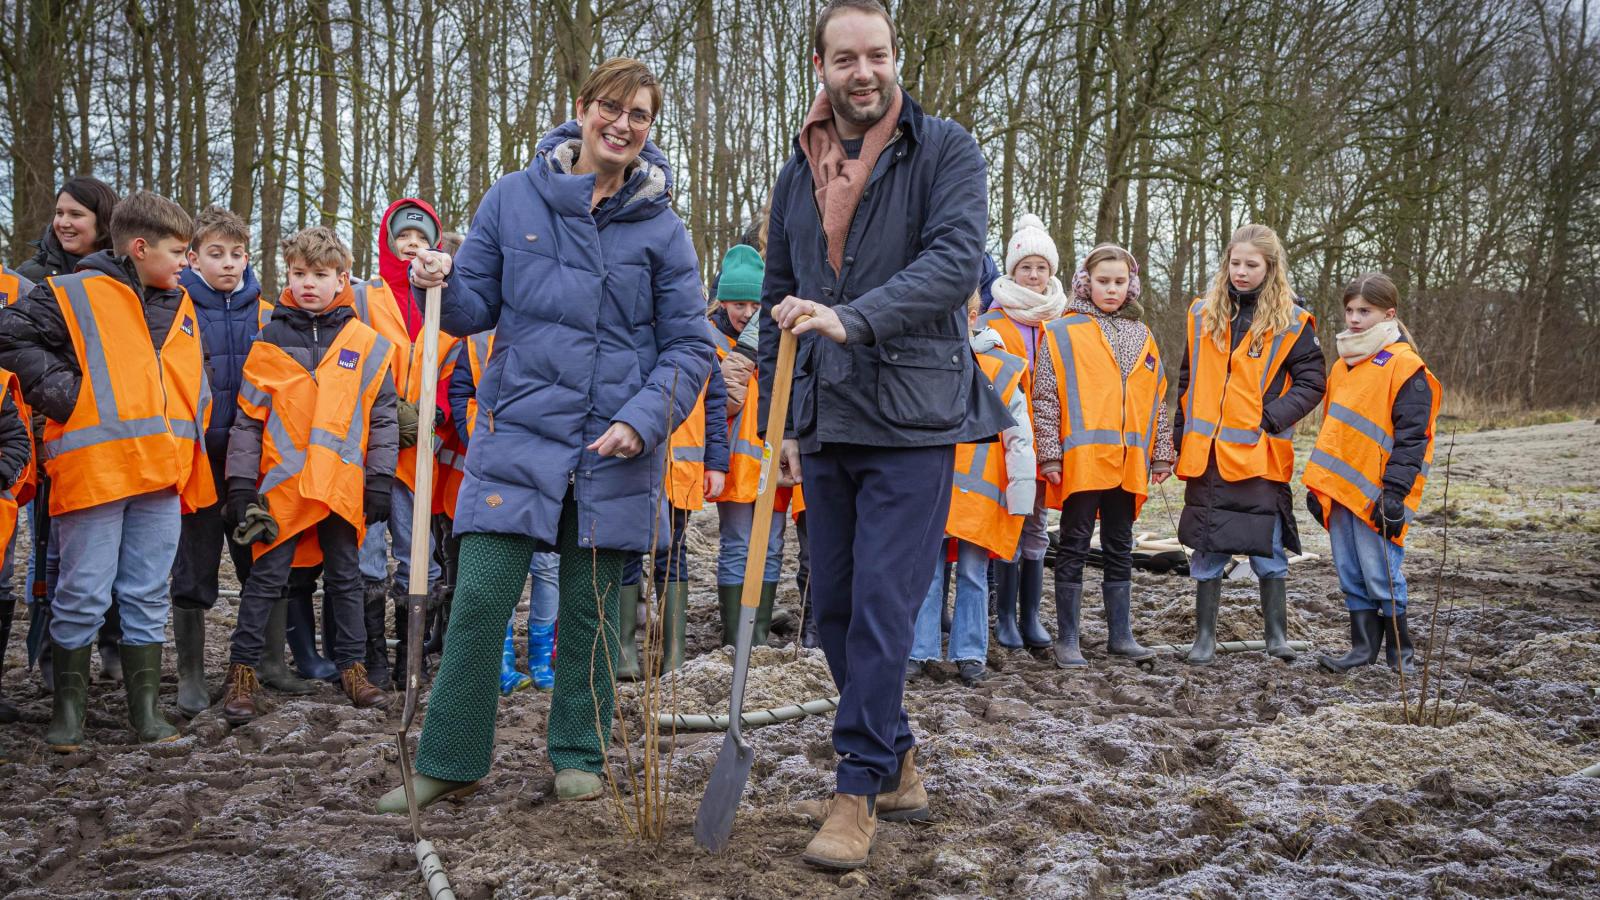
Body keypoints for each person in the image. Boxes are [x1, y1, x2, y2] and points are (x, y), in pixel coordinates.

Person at [379, 56, 714, 811]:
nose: (623, 125)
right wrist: (436, 276)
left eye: (640, 115)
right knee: (479, 599)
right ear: (583, 108)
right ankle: (452, 756)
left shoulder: (663, 230)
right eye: (612, 108)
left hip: (611, 448)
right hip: (519, 433)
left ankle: (577, 753)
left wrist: (641, 420)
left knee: (593, 615)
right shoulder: (513, 199)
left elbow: (692, 348)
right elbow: (468, 309)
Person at [764, 0, 1012, 870]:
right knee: (831, 610)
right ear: (822, 68)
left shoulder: (945, 150)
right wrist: (780, 420)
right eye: (844, 59)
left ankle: (856, 788)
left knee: (880, 611)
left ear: (894, 58)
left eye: (876, 55)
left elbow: (953, 264)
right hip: (826, 422)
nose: (862, 72)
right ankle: (900, 758)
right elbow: (778, 300)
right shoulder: (797, 172)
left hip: (912, 418)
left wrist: (851, 319)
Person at [0, 191, 214, 751]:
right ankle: (67, 716)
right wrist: (71, 397)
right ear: (140, 248)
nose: (185, 262)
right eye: (178, 251)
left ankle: (144, 713)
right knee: (82, 593)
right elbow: (8, 337)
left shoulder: (180, 302)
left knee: (145, 594)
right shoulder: (69, 293)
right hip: (97, 470)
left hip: (162, 474)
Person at [219, 226, 398, 722]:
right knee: (265, 581)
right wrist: (240, 486)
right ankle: (242, 675)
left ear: (342, 277)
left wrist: (379, 479)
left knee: (347, 579)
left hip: (342, 487)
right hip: (282, 487)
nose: (308, 284)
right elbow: (248, 422)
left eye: (320, 275)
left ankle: (354, 670)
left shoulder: (367, 343)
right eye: (299, 274)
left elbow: (382, 420)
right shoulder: (269, 340)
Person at [1174, 223, 1326, 666]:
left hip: (1259, 455)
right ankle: (1204, 639)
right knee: (1207, 545)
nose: (1241, 272)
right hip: (1207, 454)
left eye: (1251, 265)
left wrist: (1268, 417)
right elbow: (1188, 379)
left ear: (1270, 268)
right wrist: (1182, 435)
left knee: (1268, 545)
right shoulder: (1201, 314)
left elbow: (1314, 382)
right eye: (1235, 263)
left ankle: (1276, 637)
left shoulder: (1293, 322)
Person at [168, 207, 295, 718]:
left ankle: (270, 662)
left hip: (256, 465)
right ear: (193, 258)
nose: (228, 264)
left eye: (236, 254)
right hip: (196, 460)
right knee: (193, 567)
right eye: (215, 254)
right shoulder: (175, 310)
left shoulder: (268, 316)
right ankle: (192, 675)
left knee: (261, 559)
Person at [1034, 244, 1174, 667]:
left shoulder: (1143, 335)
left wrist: (1162, 453)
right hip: (1082, 461)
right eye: (1103, 281)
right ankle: (1068, 640)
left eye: (1119, 282)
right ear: (1085, 283)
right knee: (1074, 545)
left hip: (1129, 461)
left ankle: (1121, 635)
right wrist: (1049, 454)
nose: (1111, 289)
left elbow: (1157, 400)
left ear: (1130, 285)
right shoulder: (1060, 332)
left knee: (1120, 545)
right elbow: (1045, 397)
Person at [13, 175, 125, 687]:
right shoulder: (33, 277)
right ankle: (53, 652)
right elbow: (16, 347)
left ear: (102, 221)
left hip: (114, 432)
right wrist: (58, 394)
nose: (64, 222)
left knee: (113, 551)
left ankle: (112, 644)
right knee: (51, 550)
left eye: (76, 214)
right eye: (60, 212)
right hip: (49, 430)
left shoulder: (126, 276)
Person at [1307, 273, 1439, 675]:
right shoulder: (1343, 366)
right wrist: (1320, 485)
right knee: (1350, 573)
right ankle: (1362, 650)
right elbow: (1334, 432)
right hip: (1342, 489)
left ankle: (1402, 656)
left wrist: (1395, 492)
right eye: (1350, 310)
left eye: (1365, 311)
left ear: (1389, 313)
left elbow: (1413, 437)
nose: (1354, 319)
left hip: (1380, 492)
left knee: (1381, 572)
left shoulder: (1406, 366)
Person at [910, 294, 1034, 687]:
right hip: (933, 492)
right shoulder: (921, 363)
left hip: (977, 499)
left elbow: (1019, 437)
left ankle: (969, 653)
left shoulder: (1001, 368)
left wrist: (1022, 492)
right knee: (927, 574)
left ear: (973, 316)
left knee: (972, 573)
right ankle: (921, 651)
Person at [976, 214, 1068, 654]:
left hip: (1047, 438)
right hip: (1006, 438)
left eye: (1041, 268)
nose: (1034, 276)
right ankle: (1005, 616)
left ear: (1052, 272)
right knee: (1008, 523)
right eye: (1025, 268)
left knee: (1037, 527)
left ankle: (1030, 615)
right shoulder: (994, 321)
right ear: (1011, 271)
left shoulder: (1062, 321)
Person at [708, 244, 786, 647]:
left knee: (772, 546)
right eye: (739, 303)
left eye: (756, 303)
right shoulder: (713, 341)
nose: (747, 313)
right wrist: (745, 352)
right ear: (723, 301)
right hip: (737, 464)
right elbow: (723, 403)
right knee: (738, 544)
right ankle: (735, 636)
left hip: (774, 464)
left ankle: (757, 635)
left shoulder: (780, 341)